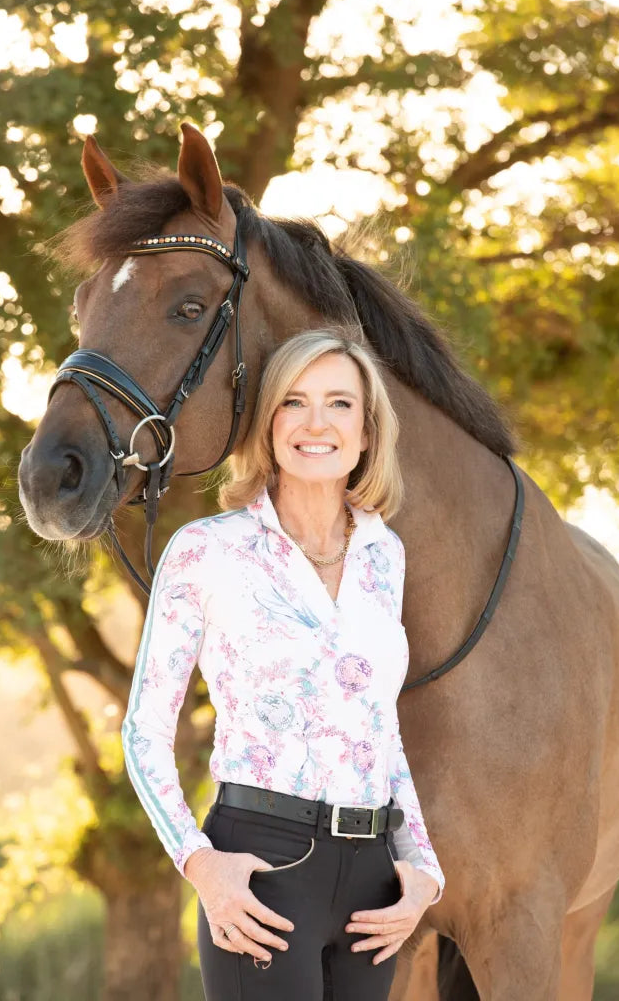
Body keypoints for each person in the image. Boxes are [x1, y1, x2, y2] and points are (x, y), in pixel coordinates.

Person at [122, 327, 445, 1000]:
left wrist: (422, 870)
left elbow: (380, 731)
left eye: (340, 404)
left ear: (367, 432)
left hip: (374, 883)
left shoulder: (385, 553)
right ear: (268, 427)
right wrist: (201, 863)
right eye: (294, 403)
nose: (316, 423)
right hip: (261, 863)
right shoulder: (207, 550)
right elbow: (144, 729)